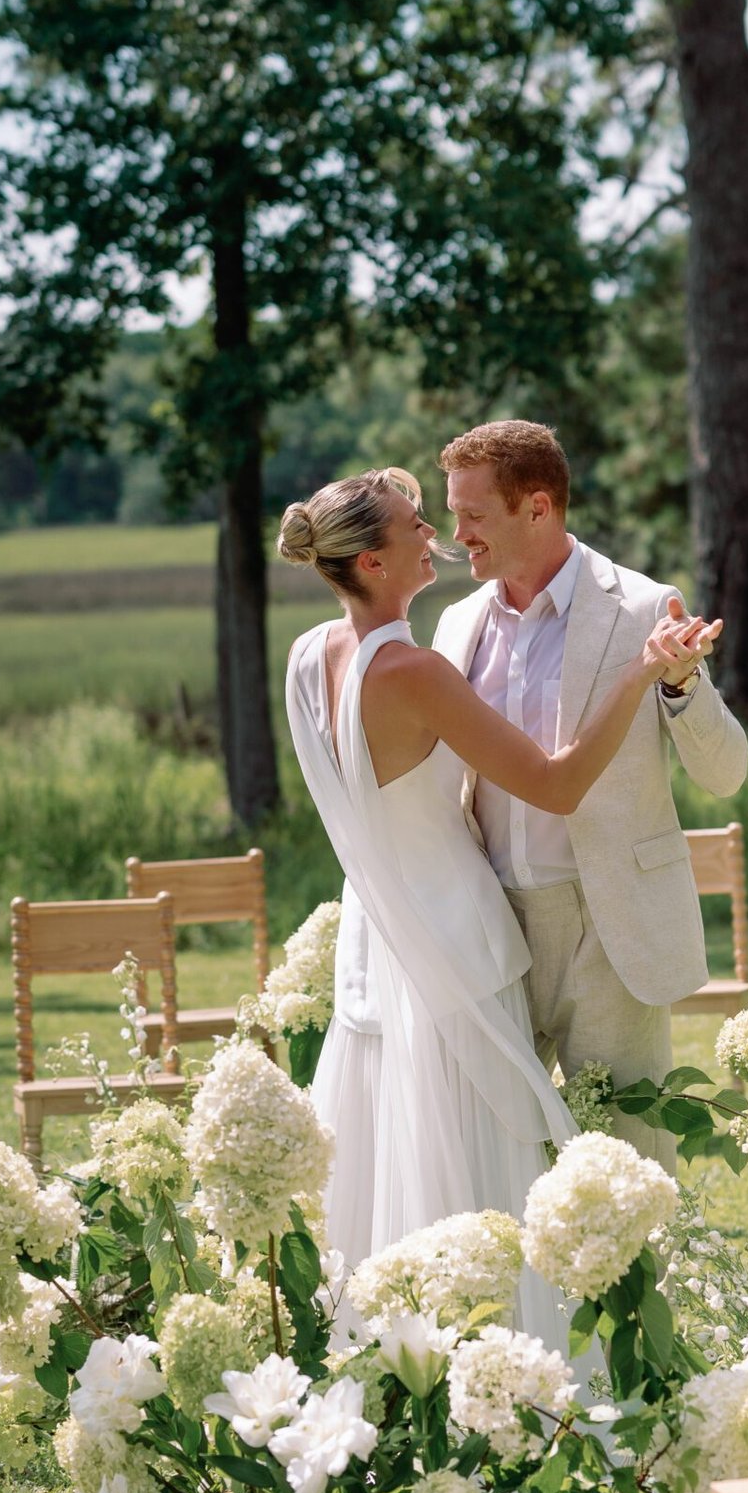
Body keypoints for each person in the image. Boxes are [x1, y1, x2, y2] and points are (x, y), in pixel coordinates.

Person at [278, 466, 718, 1342]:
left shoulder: (307, 657)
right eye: (414, 526)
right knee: (491, 1168)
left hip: (379, 945)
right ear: (371, 560)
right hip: (460, 940)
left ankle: (405, 1362)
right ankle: (521, 1364)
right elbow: (554, 784)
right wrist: (636, 678)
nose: (436, 534)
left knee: (402, 1160)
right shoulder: (413, 668)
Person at [434, 421, 748, 1169]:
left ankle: (648, 1289)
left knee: (629, 1160)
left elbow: (726, 771)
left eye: (473, 515)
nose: (457, 534)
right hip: (491, 926)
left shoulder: (644, 609)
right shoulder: (455, 624)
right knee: (495, 1163)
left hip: (611, 928)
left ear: (537, 507)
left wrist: (681, 683)